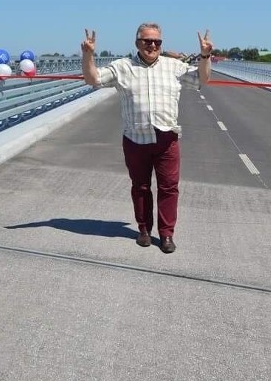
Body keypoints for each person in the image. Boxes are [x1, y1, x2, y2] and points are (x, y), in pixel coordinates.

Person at [81, 23, 213, 253]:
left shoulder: (174, 66)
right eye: (147, 41)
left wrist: (205, 55)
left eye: (157, 42)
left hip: (167, 139)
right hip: (135, 139)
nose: (152, 45)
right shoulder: (123, 67)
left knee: (169, 188)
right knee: (140, 187)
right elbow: (93, 79)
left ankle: (166, 234)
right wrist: (88, 55)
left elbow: (203, 78)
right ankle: (143, 230)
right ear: (137, 43)